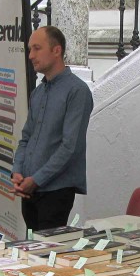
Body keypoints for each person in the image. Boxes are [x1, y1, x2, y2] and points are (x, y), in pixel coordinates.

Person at [12, 25, 93, 231]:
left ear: (56, 50)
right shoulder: (37, 93)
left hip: (56, 190)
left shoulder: (77, 91)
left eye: (37, 48)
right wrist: (17, 171)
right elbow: (26, 138)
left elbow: (70, 147)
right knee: (31, 246)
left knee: (49, 248)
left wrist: (37, 180)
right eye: (30, 49)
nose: (31, 55)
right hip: (29, 190)